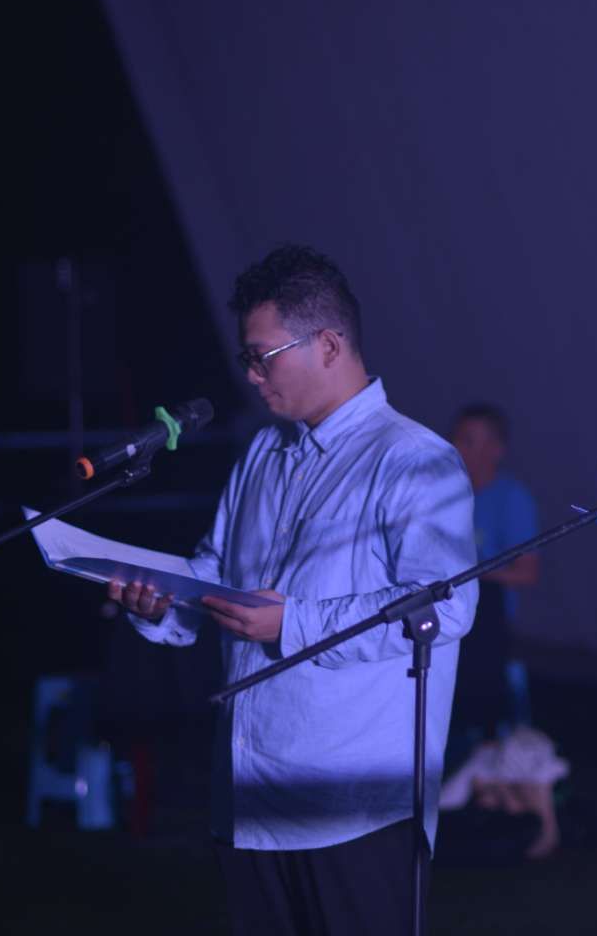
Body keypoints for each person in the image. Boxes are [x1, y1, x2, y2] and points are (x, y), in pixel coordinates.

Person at [109, 244, 477, 936]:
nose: (250, 376)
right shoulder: (262, 452)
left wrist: (294, 623)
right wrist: (161, 604)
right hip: (249, 796)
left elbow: (445, 605)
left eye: (262, 357)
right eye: (246, 358)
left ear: (329, 345)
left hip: (355, 810)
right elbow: (216, 572)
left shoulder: (413, 460)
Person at [448, 404, 539, 742]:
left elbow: (527, 573)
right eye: (457, 438)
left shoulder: (511, 499)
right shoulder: (443, 494)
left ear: (496, 449)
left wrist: (465, 575)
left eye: (469, 440)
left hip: (484, 630)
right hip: (443, 623)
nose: (458, 448)